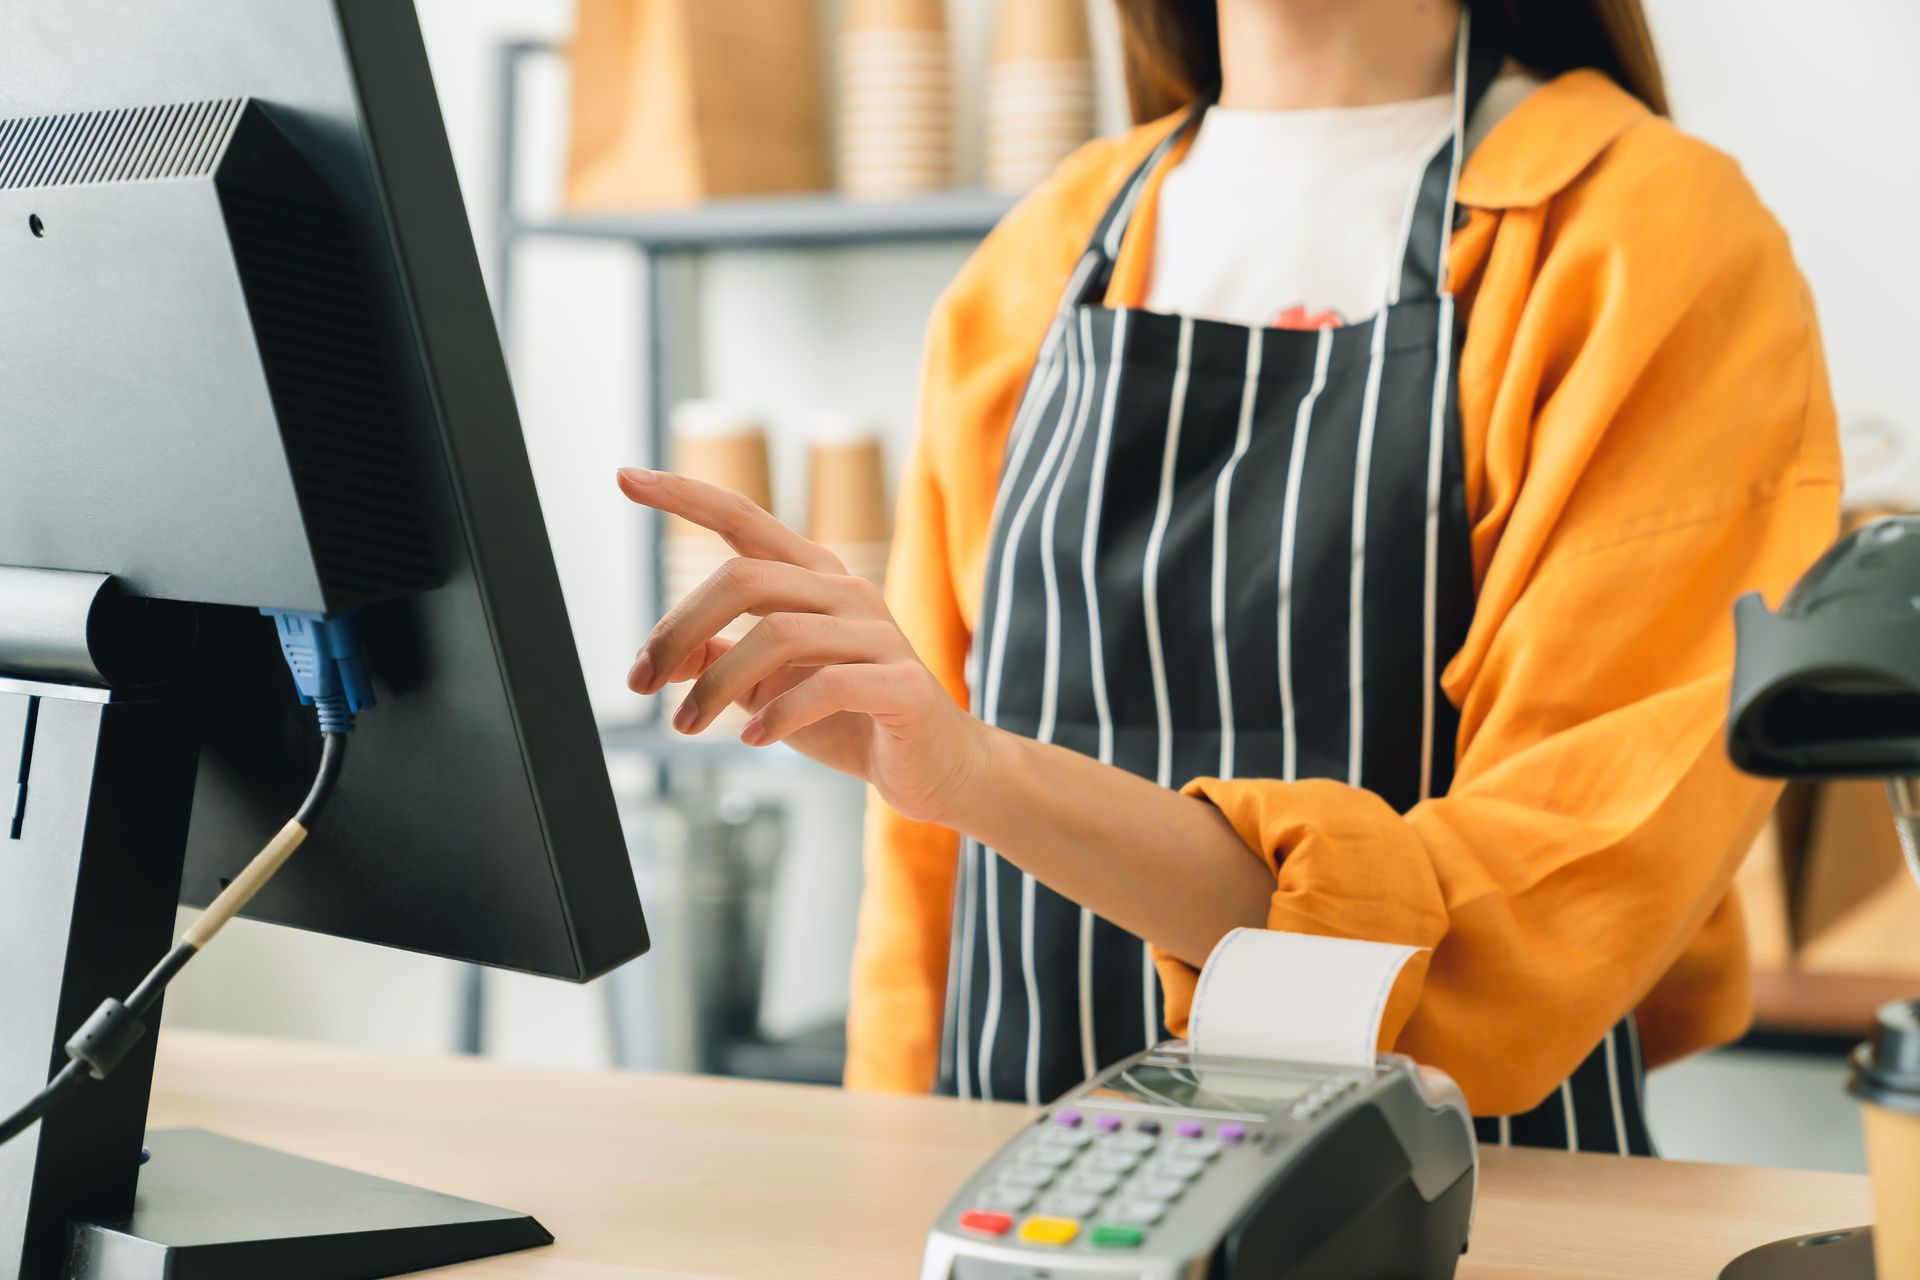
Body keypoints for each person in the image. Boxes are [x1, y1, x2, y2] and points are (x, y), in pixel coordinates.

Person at [618, 0, 1840, 1154]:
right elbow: (921, 883)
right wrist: (885, 1175)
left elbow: (1531, 914)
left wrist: (985, 774)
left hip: (1439, 1208)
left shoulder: (1649, 241)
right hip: (1017, 1203)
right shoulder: (1045, 249)